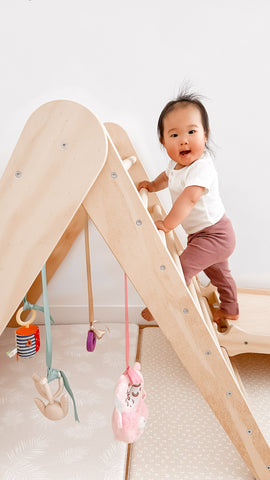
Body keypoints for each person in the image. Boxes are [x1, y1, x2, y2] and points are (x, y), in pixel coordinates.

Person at [137, 92, 239, 324]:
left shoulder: (202, 167)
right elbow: (167, 177)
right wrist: (153, 185)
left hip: (216, 234)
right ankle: (230, 308)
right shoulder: (176, 168)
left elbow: (190, 198)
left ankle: (162, 304)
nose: (184, 139)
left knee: (180, 267)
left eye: (192, 132)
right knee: (219, 274)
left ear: (205, 135)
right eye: (174, 134)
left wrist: (167, 224)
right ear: (164, 142)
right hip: (202, 234)